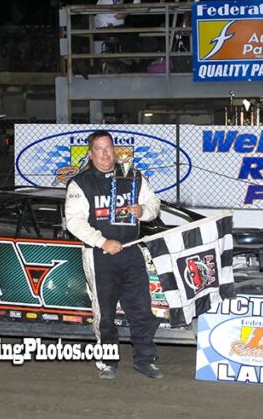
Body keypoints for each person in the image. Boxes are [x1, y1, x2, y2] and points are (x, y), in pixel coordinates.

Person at [65, 130, 162, 380]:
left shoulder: (133, 177)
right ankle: (108, 362)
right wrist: (102, 241)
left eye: (109, 147)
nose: (105, 153)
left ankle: (145, 360)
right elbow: (74, 223)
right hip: (100, 257)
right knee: (105, 313)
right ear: (90, 153)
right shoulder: (81, 183)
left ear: (115, 150)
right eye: (99, 148)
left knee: (141, 309)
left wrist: (143, 211)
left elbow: (154, 205)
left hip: (132, 253)